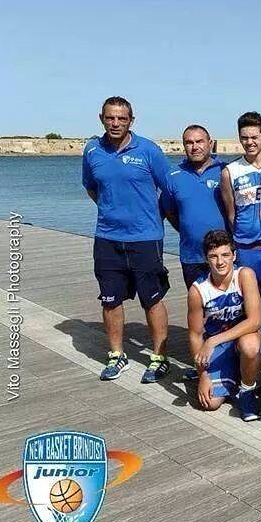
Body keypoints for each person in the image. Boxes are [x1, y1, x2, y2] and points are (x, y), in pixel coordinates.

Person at [82, 96, 173, 383]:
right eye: (110, 118)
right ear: (101, 118)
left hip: (146, 238)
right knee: (110, 300)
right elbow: (91, 187)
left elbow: (169, 188)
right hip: (107, 238)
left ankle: (159, 358)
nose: (115, 123)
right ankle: (116, 355)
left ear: (131, 120)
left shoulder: (148, 150)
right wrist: (112, 211)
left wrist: (153, 216)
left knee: (152, 299)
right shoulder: (92, 150)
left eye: (122, 118)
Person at [186, 230, 261, 421]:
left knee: (249, 345)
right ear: (206, 259)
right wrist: (202, 375)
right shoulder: (198, 290)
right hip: (219, 347)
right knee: (210, 403)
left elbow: (255, 321)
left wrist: (212, 341)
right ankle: (234, 376)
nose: (220, 262)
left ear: (234, 256)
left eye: (225, 255)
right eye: (213, 256)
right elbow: (195, 335)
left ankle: (247, 391)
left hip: (243, 337)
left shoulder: (244, 275)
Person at [220, 112, 261, 331]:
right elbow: (231, 214)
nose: (249, 142)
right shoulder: (230, 172)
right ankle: (258, 351)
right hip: (247, 250)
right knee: (253, 309)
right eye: (244, 138)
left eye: (254, 137)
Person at [160, 124, 227, 289]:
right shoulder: (173, 176)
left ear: (210, 143)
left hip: (224, 254)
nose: (195, 147)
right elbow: (169, 211)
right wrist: (188, 230)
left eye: (199, 141)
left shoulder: (225, 171)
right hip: (192, 256)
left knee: (228, 302)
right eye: (189, 143)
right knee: (197, 301)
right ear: (184, 146)